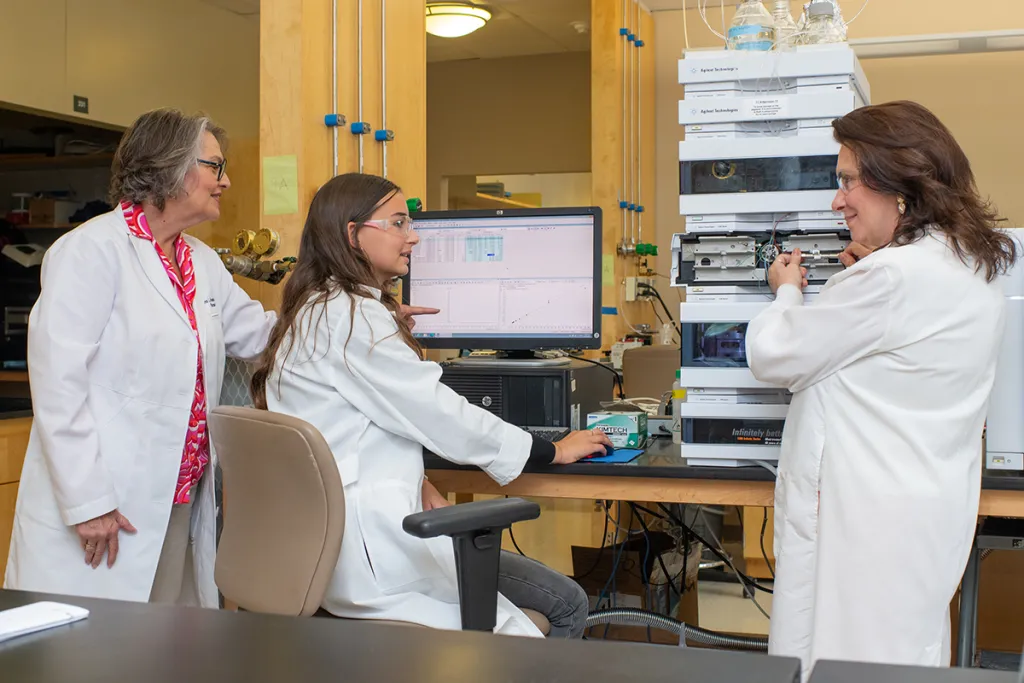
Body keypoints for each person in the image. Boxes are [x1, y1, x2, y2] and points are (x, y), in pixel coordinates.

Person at [250, 173, 611, 637]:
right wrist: (552, 450)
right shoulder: (356, 320)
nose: (413, 236)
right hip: (374, 552)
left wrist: (384, 322)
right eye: (399, 222)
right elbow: (443, 415)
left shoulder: (318, 308)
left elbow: (357, 418)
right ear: (353, 234)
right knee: (566, 603)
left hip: (320, 544)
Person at [745, 100, 1018, 675]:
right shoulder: (968, 264)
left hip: (859, 533)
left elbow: (773, 354)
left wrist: (788, 290)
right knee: (899, 660)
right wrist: (865, 277)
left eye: (847, 181)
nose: (837, 199)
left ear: (900, 184)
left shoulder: (891, 277)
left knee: (836, 662)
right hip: (915, 525)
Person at [5, 109, 276, 607]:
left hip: (177, 495)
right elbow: (58, 384)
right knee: (89, 656)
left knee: (165, 650)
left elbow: (260, 336)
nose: (226, 181)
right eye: (215, 167)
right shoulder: (90, 252)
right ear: (170, 166)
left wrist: (354, 318)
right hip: (108, 502)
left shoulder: (200, 260)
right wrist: (89, 502)